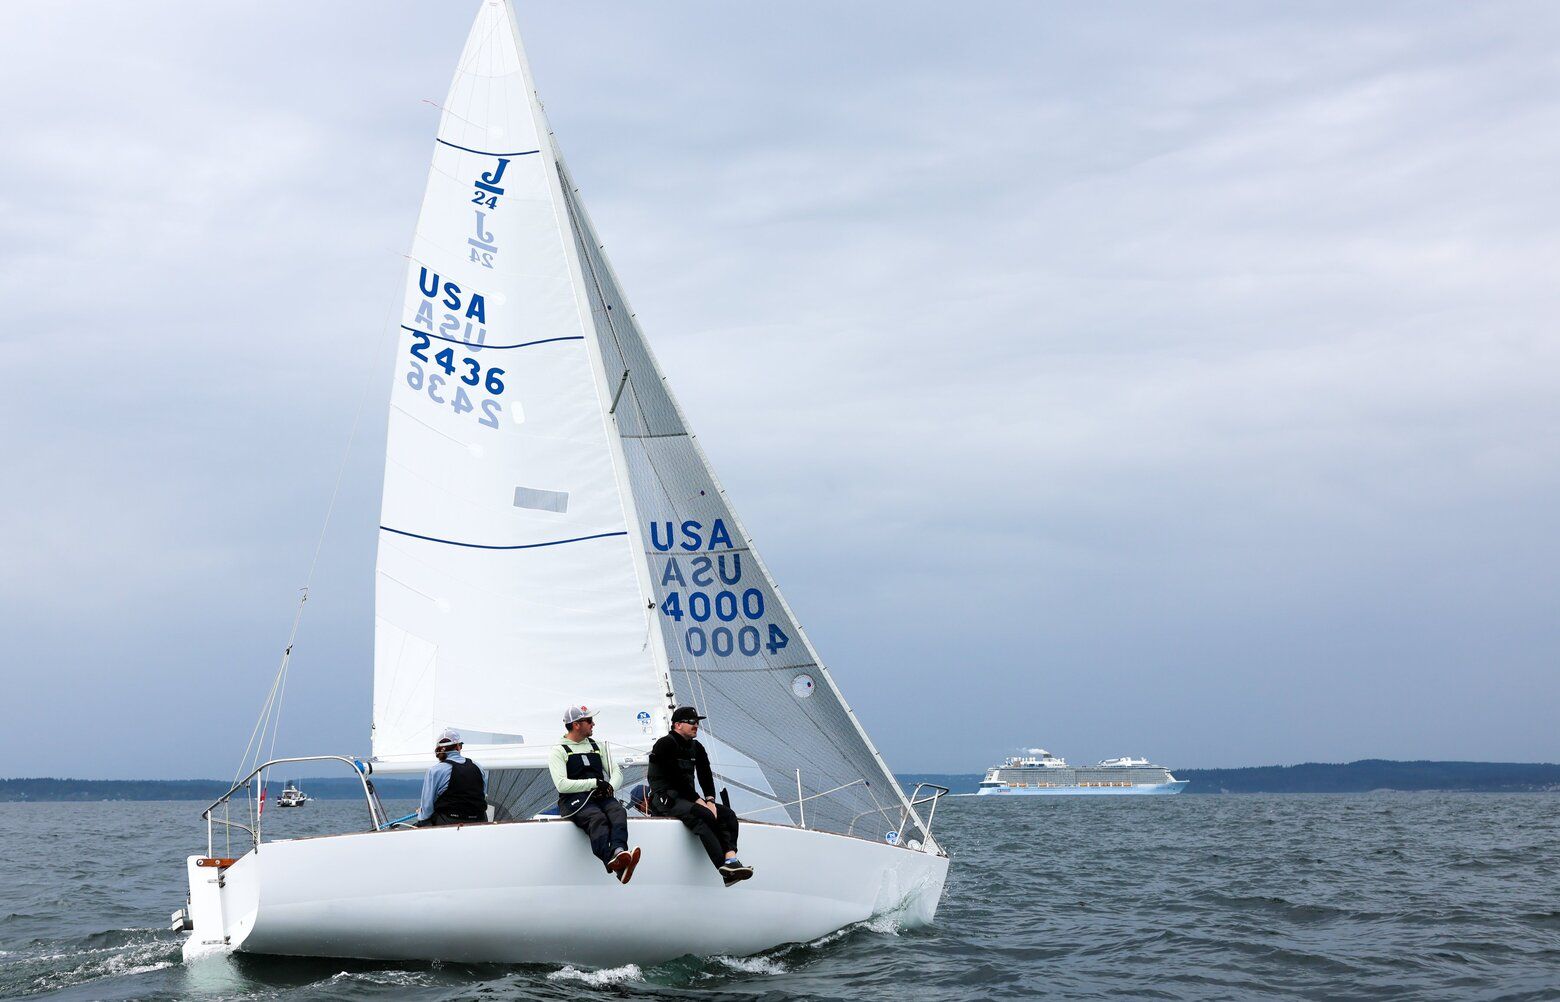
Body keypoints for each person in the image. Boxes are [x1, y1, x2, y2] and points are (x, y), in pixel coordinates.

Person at [647, 706, 752, 884]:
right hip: (665, 799)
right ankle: (725, 871)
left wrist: (710, 800)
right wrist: (699, 801)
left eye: (697, 722)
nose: (696, 725)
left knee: (728, 815)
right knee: (703, 815)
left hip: (688, 798)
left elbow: (705, 775)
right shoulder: (665, 744)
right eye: (692, 722)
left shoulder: (697, 747)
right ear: (678, 725)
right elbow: (675, 777)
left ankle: (731, 859)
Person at [549, 705, 641, 884]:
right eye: (589, 721)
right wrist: (595, 783)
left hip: (600, 795)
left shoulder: (597, 745)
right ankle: (613, 862)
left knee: (618, 812)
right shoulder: (558, 750)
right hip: (573, 800)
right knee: (597, 818)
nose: (594, 724)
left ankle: (619, 852)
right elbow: (562, 785)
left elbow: (616, 772)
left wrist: (610, 787)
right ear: (576, 725)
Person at [415, 728, 487, 826]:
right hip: (479, 822)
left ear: (439, 749)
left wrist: (421, 814)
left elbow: (427, 809)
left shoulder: (435, 771)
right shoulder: (478, 767)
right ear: (458, 747)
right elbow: (481, 795)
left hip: (448, 822)